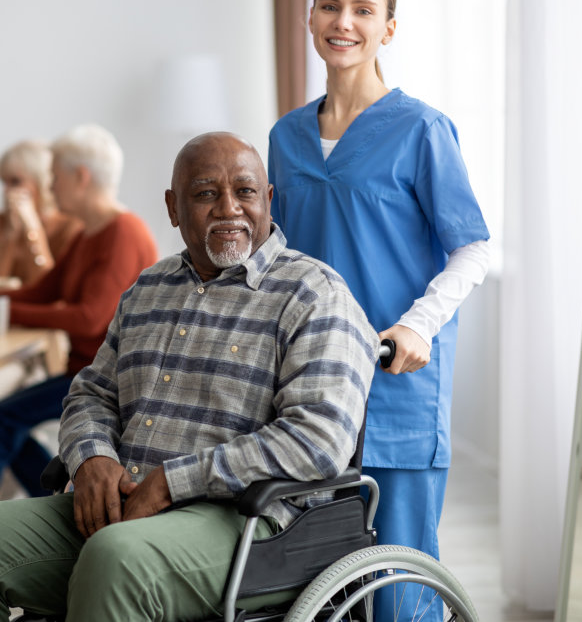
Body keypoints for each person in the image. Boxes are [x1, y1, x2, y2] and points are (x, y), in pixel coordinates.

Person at [0, 132, 378, 622]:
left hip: (248, 522)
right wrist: (91, 457)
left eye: (244, 192)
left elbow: (319, 439)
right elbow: (91, 393)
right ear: (173, 207)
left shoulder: (314, 293)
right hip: (123, 505)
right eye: (204, 193)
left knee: (116, 558)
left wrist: (175, 482)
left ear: (268, 200)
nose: (228, 208)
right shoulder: (148, 289)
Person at [268, 0, 490, 618]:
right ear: (310, 20)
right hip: (310, 385)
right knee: (319, 580)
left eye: (364, 10)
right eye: (330, 6)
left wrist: (420, 322)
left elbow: (472, 247)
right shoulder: (285, 136)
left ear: (387, 28)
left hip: (396, 381)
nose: (344, 22)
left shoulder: (422, 128)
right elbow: (279, 251)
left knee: (396, 589)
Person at [0, 123, 158, 498]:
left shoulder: (123, 233)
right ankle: (58, 502)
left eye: (54, 177)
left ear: (80, 177)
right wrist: (8, 303)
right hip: (84, 371)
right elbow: (43, 291)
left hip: (110, 381)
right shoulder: (88, 233)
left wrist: (8, 313)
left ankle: (52, 507)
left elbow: (91, 318)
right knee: (6, 418)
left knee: (4, 417)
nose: (50, 188)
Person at [0, 139, 82, 288]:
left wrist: (32, 230)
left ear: (42, 182)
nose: (7, 191)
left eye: (15, 181)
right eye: (4, 182)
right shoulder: (2, 222)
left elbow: (51, 289)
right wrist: (8, 236)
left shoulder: (70, 227)